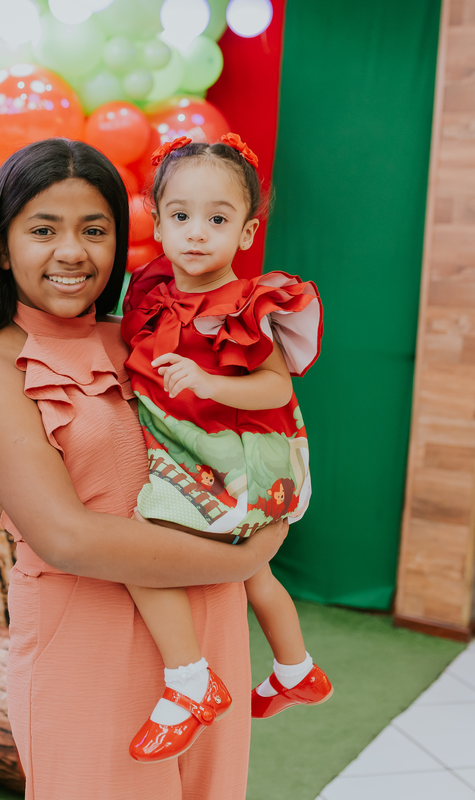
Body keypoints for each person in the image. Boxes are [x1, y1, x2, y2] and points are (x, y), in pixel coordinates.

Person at [0, 138, 288, 799]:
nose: (72, 252)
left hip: (212, 629)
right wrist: (245, 557)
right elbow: (68, 537)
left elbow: (247, 431)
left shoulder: (144, 335)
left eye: (94, 230)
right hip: (90, 644)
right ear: (1, 247)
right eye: (44, 230)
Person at [120, 134, 332, 763]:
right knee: (255, 572)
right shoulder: (157, 295)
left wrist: (212, 383)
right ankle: (296, 669)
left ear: (246, 232)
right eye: (181, 216)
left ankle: (189, 680)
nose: (196, 233)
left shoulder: (242, 304)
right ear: (157, 223)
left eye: (217, 219)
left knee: (140, 552)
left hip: (237, 460)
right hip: (207, 452)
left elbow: (275, 387)